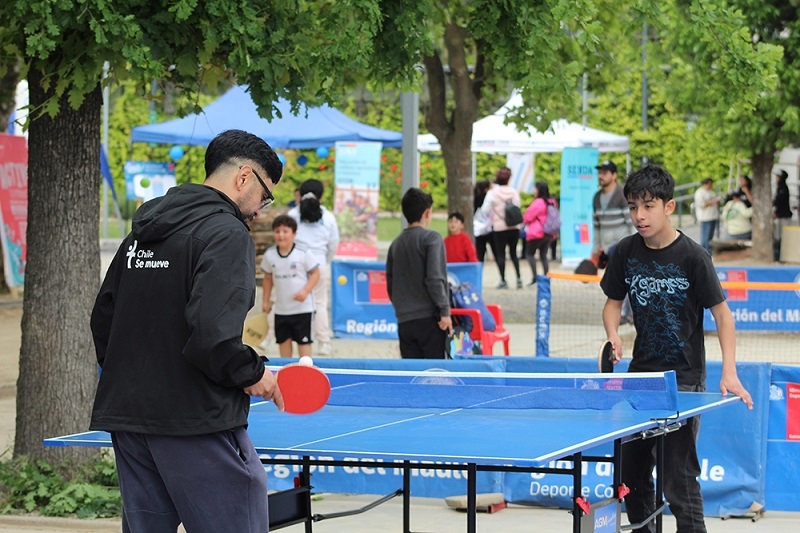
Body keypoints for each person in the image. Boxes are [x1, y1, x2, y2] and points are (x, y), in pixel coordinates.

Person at [90, 129, 284, 533]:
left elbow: (103, 318)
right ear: (244, 177)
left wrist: (135, 377)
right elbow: (213, 335)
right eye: (265, 195)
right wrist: (254, 373)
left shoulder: (140, 234)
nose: (261, 210)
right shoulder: (228, 234)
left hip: (130, 419)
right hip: (195, 421)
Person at [600, 165, 753, 533]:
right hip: (640, 381)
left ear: (669, 207)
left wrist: (729, 372)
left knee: (678, 482)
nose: (639, 215)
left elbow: (723, 316)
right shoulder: (625, 251)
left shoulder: (693, 256)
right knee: (630, 478)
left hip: (682, 382)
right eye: (633, 206)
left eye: (648, 206)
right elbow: (612, 303)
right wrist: (613, 334)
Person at [386, 188, 452, 358]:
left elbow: (390, 283)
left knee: (412, 375)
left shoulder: (395, 244)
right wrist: (444, 311)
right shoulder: (432, 239)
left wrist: (401, 308)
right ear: (427, 213)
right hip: (430, 319)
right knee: (433, 374)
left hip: (405, 320)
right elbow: (434, 278)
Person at [287, 179, 340, 355]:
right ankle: (324, 343)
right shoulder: (329, 217)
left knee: (287, 301)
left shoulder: (292, 215)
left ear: (300, 194)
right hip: (318, 264)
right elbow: (333, 244)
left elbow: (285, 241)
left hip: (296, 265)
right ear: (321, 197)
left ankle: (272, 337)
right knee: (319, 304)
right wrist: (325, 260)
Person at [261, 215, 320, 358]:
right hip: (281, 311)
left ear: (294, 234)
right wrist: (265, 301)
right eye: (277, 231)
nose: (281, 235)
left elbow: (316, 273)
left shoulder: (303, 253)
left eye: (285, 231)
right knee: (284, 347)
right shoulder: (269, 255)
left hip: (303, 309)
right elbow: (268, 279)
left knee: (304, 348)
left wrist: (305, 291)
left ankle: (306, 376)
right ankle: (287, 378)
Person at [593, 160, 635, 323]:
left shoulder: (622, 195)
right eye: (600, 172)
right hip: (607, 247)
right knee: (615, 282)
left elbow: (630, 221)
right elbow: (596, 225)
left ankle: (627, 314)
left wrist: (633, 244)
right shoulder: (596, 197)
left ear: (614, 175)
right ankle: (621, 314)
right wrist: (596, 247)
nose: (601, 176)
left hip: (622, 245)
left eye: (604, 172)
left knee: (626, 281)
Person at [482, 167, 523, 289]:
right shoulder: (514, 192)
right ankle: (519, 278)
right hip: (514, 227)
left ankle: (503, 280)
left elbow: (485, 210)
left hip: (499, 227)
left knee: (500, 254)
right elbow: (518, 206)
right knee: (514, 253)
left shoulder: (492, 193)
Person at [522, 181, 556, 284]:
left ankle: (535, 277)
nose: (534, 191)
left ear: (539, 190)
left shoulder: (538, 202)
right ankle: (546, 277)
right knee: (543, 255)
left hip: (537, 232)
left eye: (535, 188)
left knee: (529, 254)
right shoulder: (552, 202)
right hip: (548, 233)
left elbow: (527, 217)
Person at [693, 178, 720, 255]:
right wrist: (712, 202)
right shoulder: (700, 193)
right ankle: (703, 251)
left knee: (710, 236)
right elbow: (701, 204)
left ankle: (708, 250)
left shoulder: (711, 192)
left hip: (713, 216)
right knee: (705, 236)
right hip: (705, 217)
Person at [773, 169, 793, 260]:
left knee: (784, 237)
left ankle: (782, 256)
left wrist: (777, 212)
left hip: (784, 216)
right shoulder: (779, 188)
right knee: (778, 236)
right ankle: (778, 256)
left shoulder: (783, 188)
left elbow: (780, 202)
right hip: (780, 215)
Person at [473, 179, 493, 262]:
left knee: (480, 251)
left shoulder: (475, 197)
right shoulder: (488, 198)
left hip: (477, 227)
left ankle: (479, 268)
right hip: (489, 225)